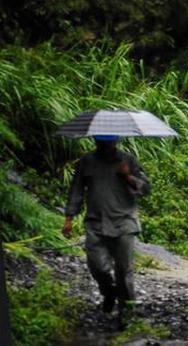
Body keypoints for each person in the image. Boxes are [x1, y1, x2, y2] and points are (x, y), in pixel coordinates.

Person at [62, 135, 150, 320]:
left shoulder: (128, 160)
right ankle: (109, 292)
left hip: (124, 222)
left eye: (109, 143)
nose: (105, 146)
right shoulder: (86, 162)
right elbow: (76, 190)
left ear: (115, 142)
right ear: (96, 142)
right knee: (97, 267)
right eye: (101, 143)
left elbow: (146, 188)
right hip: (96, 222)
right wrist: (69, 217)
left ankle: (126, 313)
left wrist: (128, 176)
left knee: (123, 271)